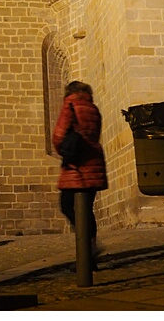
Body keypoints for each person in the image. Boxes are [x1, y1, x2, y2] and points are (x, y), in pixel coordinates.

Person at [52, 81, 108, 268]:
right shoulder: (93, 108)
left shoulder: (70, 105)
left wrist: (64, 150)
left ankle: (87, 251)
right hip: (94, 163)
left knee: (67, 206)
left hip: (77, 166)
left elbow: (59, 135)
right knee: (86, 209)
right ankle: (90, 253)